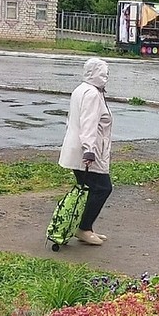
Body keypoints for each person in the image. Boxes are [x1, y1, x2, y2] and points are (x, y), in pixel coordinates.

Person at [58, 58, 114, 246]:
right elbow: (88, 124)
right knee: (103, 188)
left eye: (107, 73)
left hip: (77, 148)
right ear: (93, 73)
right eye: (102, 73)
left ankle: (82, 226)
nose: (105, 77)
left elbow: (71, 119)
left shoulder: (81, 89)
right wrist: (89, 151)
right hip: (88, 151)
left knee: (88, 189)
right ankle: (84, 228)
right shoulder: (91, 93)